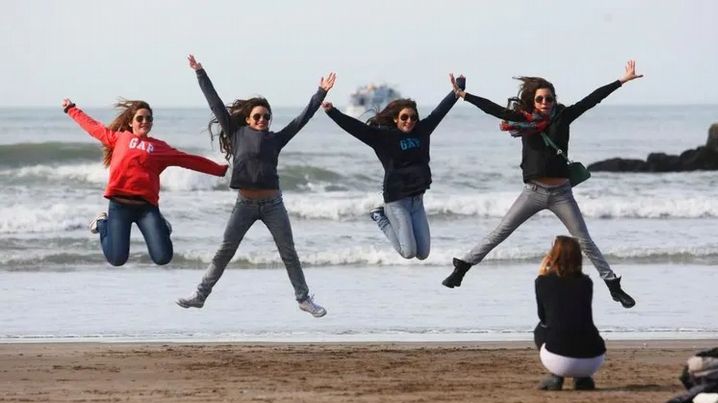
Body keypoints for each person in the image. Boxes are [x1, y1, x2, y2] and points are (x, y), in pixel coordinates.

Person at [442, 61, 643, 309]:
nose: (545, 103)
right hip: (533, 192)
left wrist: (621, 81)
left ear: (553, 99)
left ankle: (614, 287)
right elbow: (493, 109)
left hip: (561, 194)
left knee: (584, 241)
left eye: (548, 99)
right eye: (540, 99)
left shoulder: (563, 116)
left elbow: (592, 100)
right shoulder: (522, 120)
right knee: (500, 232)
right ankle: (462, 268)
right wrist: (464, 96)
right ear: (532, 101)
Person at [176, 55, 335, 317]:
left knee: (289, 253)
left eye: (266, 116)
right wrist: (200, 73)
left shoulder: (276, 139)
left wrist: (321, 92)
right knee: (225, 251)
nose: (263, 119)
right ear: (248, 119)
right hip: (245, 204)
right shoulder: (235, 133)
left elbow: (302, 118)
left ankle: (304, 299)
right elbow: (214, 103)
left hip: (273, 205)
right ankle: (200, 295)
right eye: (258, 116)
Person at [62, 98, 228, 266]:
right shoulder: (119, 138)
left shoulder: (159, 147)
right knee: (117, 259)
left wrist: (219, 170)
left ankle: (160, 226)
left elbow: (188, 160)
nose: (145, 121)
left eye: (149, 118)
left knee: (163, 257)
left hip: (146, 208)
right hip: (119, 206)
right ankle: (102, 223)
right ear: (130, 122)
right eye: (140, 118)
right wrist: (71, 109)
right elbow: (93, 127)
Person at [321, 75, 465, 259]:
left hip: (417, 201)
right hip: (396, 201)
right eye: (404, 117)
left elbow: (440, 111)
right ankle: (380, 216)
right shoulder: (383, 137)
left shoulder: (422, 130)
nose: (409, 121)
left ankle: (386, 217)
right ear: (396, 119)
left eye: (413, 117)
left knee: (423, 254)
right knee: (408, 252)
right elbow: (356, 128)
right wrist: (333, 112)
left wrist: (458, 89)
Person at [533, 236, 606, 390]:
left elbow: (544, 317)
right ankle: (582, 378)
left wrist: (542, 275)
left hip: (559, 360)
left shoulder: (542, 282)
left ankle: (556, 376)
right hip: (593, 358)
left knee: (540, 329)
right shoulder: (586, 282)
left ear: (553, 256)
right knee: (577, 321)